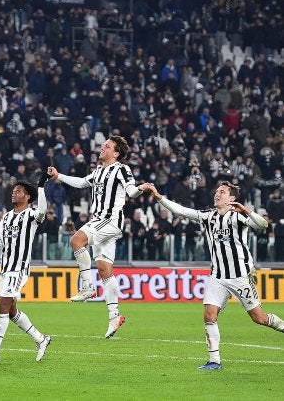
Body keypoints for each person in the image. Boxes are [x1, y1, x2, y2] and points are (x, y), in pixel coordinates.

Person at [140, 181, 284, 370]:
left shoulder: (236, 217)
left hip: (240, 276)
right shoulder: (208, 216)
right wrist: (158, 197)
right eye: (216, 192)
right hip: (218, 275)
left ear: (231, 198)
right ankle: (214, 361)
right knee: (209, 315)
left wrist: (245, 210)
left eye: (222, 192)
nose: (217, 194)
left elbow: (263, 225)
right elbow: (181, 211)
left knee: (259, 319)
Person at [47, 135, 142, 338]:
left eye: (107, 146)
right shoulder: (99, 172)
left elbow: (131, 191)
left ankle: (88, 287)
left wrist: (140, 189)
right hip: (101, 222)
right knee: (104, 270)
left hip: (109, 220)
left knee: (76, 240)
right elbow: (82, 182)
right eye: (103, 145)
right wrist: (59, 176)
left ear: (116, 153)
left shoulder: (121, 169)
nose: (102, 148)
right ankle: (114, 316)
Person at [0, 178, 52, 363]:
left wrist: (41, 188)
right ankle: (41, 339)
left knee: (2, 305)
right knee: (10, 311)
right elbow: (0, 237)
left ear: (27, 197)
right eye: (14, 190)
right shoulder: (7, 216)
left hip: (18, 269)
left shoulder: (32, 215)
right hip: (4, 269)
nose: (14, 193)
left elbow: (43, 211)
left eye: (18, 191)